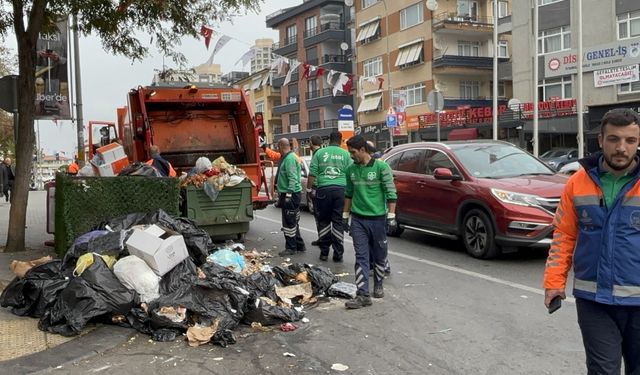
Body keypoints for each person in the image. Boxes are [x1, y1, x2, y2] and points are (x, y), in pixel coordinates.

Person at [543, 108, 640, 375]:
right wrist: (554, 283)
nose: (621, 148)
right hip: (594, 301)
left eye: (630, 141)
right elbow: (564, 235)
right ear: (600, 140)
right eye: (614, 139)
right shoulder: (577, 183)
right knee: (602, 371)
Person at [343, 135, 397, 309]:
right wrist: (345, 216)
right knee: (361, 257)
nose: (351, 156)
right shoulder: (351, 169)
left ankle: (378, 284)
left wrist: (391, 216)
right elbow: (348, 194)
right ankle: (363, 294)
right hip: (358, 219)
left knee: (380, 255)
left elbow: (391, 193)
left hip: (378, 219)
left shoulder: (382, 167)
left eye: (353, 152)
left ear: (363, 150)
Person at [307, 131, 351, 262]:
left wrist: (309, 189)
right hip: (341, 190)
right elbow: (350, 174)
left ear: (328, 141)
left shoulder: (320, 153)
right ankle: (338, 254)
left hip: (323, 190)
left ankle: (324, 253)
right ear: (341, 141)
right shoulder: (346, 154)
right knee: (338, 221)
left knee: (324, 221)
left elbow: (312, 173)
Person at [275, 138, 306, 256]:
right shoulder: (289, 157)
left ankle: (291, 248)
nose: (278, 150)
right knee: (293, 221)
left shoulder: (289, 159)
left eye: (278, 147)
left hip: (290, 194)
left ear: (281, 146)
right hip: (291, 194)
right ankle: (299, 245)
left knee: (289, 223)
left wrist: (288, 195)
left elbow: (292, 178)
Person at [308, 135, 323, 247]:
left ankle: (323, 238)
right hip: (323, 188)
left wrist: (309, 188)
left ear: (311, 143)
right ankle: (322, 237)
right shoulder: (322, 153)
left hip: (317, 188)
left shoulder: (317, 154)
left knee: (319, 215)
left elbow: (312, 174)